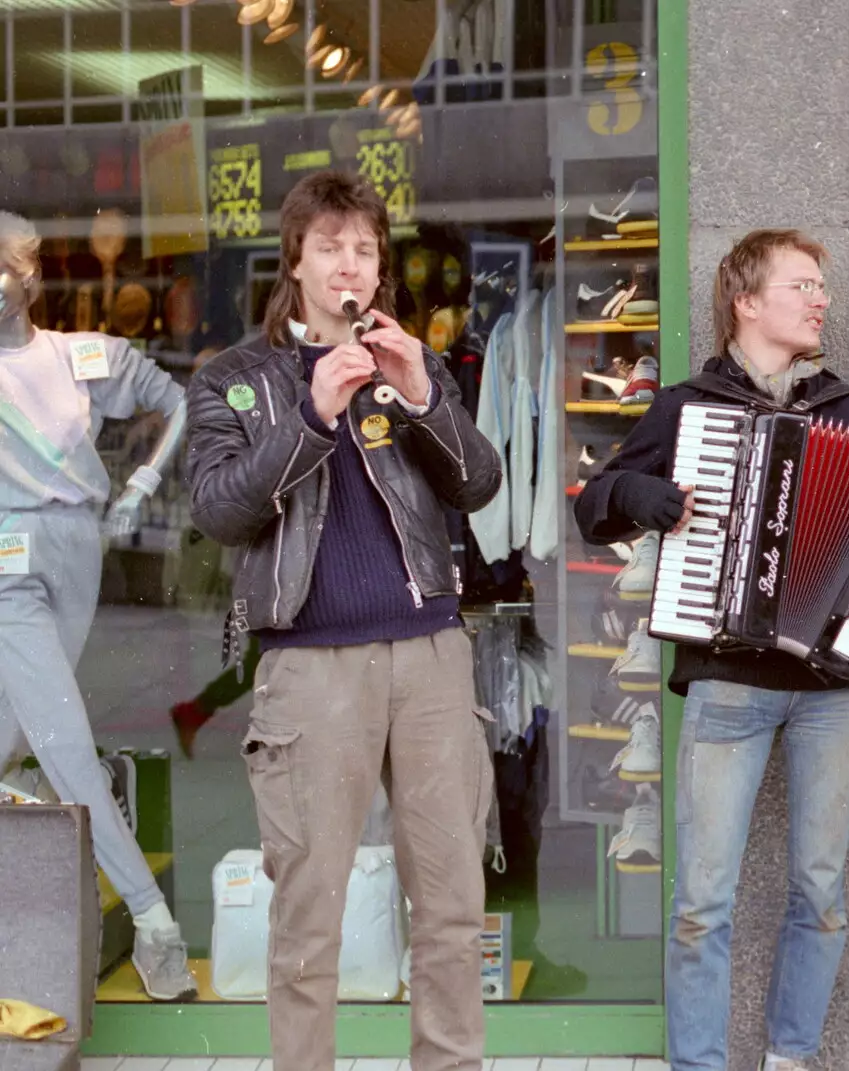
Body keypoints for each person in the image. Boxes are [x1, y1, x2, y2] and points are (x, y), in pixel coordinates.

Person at [574, 228, 849, 1071]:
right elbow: (595, 504)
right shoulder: (687, 407)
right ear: (747, 302)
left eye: (822, 286)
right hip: (727, 683)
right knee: (701, 902)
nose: (821, 298)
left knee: (821, 893)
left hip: (833, 686)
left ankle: (791, 1057)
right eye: (802, 284)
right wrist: (646, 491)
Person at [184, 171, 503, 1071]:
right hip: (312, 668)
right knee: (308, 911)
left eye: (365, 248)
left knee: (448, 902)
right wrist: (312, 413)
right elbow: (219, 510)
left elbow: (478, 483)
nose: (349, 264)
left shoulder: (411, 361)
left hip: (431, 656)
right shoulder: (235, 382)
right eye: (330, 247)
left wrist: (424, 399)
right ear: (297, 261)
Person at [0, 210, 199, 1001]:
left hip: (80, 549)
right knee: (62, 740)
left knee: (26, 735)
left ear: (30, 274)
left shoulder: (81, 356)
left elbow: (183, 401)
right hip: (6, 559)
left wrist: (145, 482)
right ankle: (156, 926)